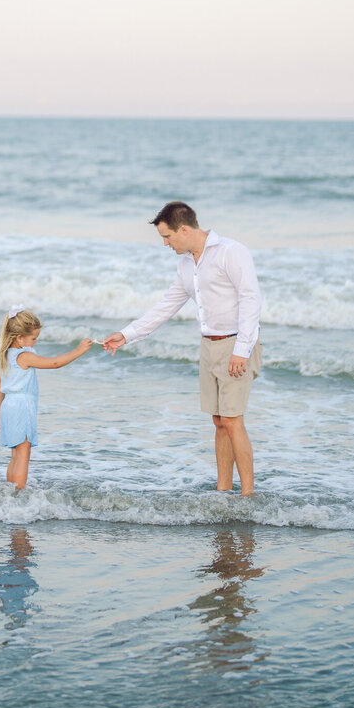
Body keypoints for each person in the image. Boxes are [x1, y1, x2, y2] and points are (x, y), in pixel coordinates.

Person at [102, 201, 262, 496]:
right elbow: (166, 306)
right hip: (208, 346)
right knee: (218, 421)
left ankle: (248, 495)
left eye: (168, 237)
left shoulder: (231, 251)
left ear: (184, 230)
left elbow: (251, 300)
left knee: (232, 419)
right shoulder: (186, 264)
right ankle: (223, 490)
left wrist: (242, 349)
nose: (165, 244)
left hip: (237, 344)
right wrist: (126, 335)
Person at [0, 305, 92, 489]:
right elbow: (54, 363)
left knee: (15, 454)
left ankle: (9, 491)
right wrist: (79, 351)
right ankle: (19, 494)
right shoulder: (23, 356)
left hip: (8, 406)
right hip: (22, 406)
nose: (35, 342)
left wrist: (0, 413)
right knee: (24, 454)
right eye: (33, 338)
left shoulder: (4, 355)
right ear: (19, 337)